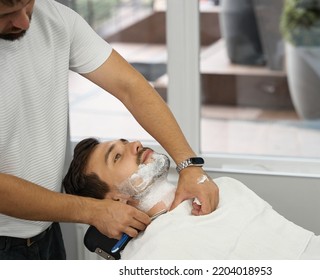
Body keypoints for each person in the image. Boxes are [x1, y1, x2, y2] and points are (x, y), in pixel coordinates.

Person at [0, 0, 218, 260]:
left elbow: (130, 86)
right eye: (7, 13)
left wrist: (189, 164)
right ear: (115, 201)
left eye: (28, 5)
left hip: (45, 230)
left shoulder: (54, 18)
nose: (25, 22)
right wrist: (91, 211)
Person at [63, 138, 320, 260]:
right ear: (115, 202)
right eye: (117, 157)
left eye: (124, 141)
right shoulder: (154, 256)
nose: (134, 143)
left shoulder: (217, 189)